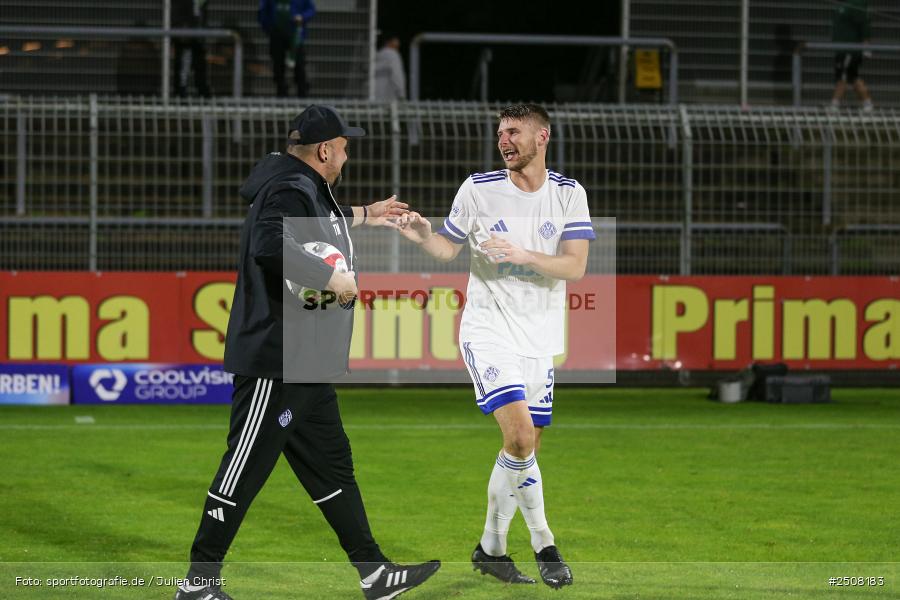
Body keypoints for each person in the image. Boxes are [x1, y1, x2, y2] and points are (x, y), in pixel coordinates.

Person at [174, 105, 440, 600]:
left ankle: (374, 573)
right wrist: (330, 279)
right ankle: (197, 583)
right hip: (277, 360)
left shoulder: (305, 187)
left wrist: (369, 214)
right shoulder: (290, 188)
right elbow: (268, 243)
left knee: (333, 467)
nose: (346, 155)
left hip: (307, 365)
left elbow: (321, 223)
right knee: (243, 469)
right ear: (324, 151)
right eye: (343, 147)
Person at [397, 103, 593, 589]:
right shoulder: (479, 188)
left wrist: (524, 254)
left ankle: (491, 548)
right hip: (488, 331)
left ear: (542, 136)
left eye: (514, 132)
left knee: (522, 447)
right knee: (522, 438)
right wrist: (422, 235)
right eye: (500, 132)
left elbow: (575, 266)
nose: (504, 140)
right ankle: (545, 544)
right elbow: (447, 246)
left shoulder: (568, 194)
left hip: (539, 338)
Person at [258, 0, 315, 97]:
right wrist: (269, 28)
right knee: (278, 64)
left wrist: (302, 17)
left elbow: (311, 9)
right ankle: (281, 92)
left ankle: (302, 93)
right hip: (277, 35)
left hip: (295, 35)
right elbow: (263, 13)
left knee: (299, 64)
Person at [831, 0, 873, 111]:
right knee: (853, 77)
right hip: (842, 49)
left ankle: (834, 106)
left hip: (849, 50)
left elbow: (864, 25)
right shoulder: (844, 4)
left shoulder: (858, 4)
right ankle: (867, 104)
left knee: (843, 76)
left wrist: (866, 46)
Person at [172, 0, 212, 98]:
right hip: (185, 36)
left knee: (199, 65)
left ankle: (202, 92)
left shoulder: (199, 4)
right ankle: (180, 93)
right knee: (183, 66)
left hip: (196, 37)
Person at [374, 33, 406, 101]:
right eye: (396, 41)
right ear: (388, 42)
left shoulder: (377, 55)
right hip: (389, 97)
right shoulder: (393, 54)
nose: (398, 44)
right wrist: (401, 94)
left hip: (373, 96)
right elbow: (397, 75)